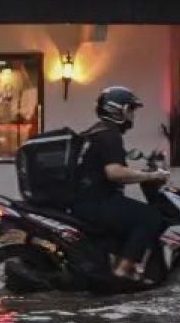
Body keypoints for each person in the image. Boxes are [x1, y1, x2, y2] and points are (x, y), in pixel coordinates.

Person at [72, 86, 169, 282]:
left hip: (85, 201)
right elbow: (114, 172)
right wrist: (151, 176)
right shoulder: (109, 135)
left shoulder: (95, 132)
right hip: (97, 203)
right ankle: (122, 272)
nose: (133, 115)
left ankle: (119, 265)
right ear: (119, 110)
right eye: (131, 109)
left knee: (129, 216)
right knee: (150, 216)